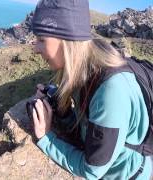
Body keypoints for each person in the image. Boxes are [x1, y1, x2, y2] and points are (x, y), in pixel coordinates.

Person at [30, 0, 152, 179]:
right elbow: (88, 125)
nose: (35, 49)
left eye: (41, 39)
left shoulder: (111, 92)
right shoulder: (84, 68)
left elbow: (92, 170)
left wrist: (46, 138)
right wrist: (60, 108)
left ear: (67, 40)